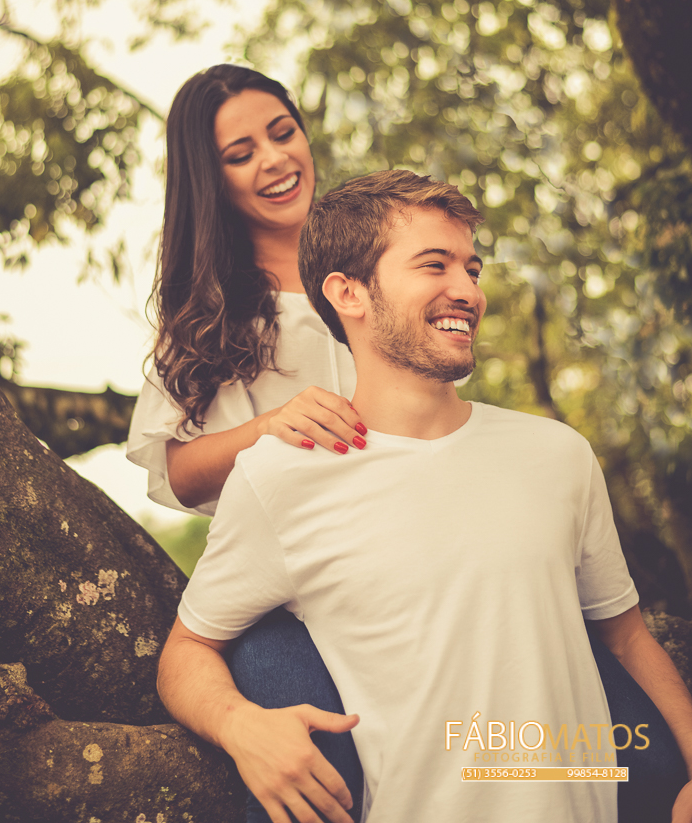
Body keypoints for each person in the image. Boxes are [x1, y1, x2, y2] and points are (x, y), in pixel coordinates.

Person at [157, 170, 692, 823]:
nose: (467, 290)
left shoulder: (558, 456)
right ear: (348, 293)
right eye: (434, 265)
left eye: (472, 268)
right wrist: (241, 726)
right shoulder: (281, 477)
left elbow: (626, 637)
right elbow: (186, 650)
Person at [126, 64, 366, 818]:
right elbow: (177, 473)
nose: (273, 159)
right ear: (213, 181)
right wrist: (269, 428)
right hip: (292, 598)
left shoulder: (376, 268)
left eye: (282, 133)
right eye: (240, 154)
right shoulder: (211, 314)